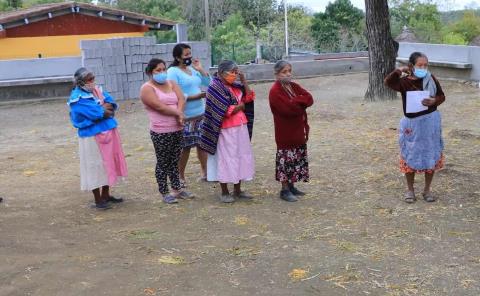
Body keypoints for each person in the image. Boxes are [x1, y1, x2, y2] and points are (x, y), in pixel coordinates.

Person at [385, 51, 445, 203]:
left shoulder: (431, 79)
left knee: (430, 154)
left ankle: (427, 190)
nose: (423, 68)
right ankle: (410, 190)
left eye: (426, 65)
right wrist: (399, 70)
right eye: (420, 65)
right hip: (412, 125)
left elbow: (442, 96)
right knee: (410, 154)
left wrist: (434, 101)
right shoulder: (404, 82)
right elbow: (388, 82)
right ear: (411, 66)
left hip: (430, 124)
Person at [68, 68, 128, 209]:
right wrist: (102, 109)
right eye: (89, 79)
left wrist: (103, 109)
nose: (92, 81)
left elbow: (111, 104)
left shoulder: (97, 90)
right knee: (94, 165)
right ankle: (98, 199)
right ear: (80, 81)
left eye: (93, 78)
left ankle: (106, 194)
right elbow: (95, 113)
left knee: (109, 162)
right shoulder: (77, 98)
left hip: (108, 131)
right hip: (91, 136)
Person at [140, 58, 195, 204]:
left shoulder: (171, 83)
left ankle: (177, 189)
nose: (162, 73)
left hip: (177, 128)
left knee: (175, 160)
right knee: (163, 161)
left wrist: (180, 112)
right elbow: (159, 106)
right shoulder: (147, 88)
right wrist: (178, 114)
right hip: (161, 131)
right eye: (158, 70)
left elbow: (181, 98)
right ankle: (164, 191)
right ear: (150, 72)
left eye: (163, 69)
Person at [199, 60, 255, 203]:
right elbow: (223, 110)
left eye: (237, 72)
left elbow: (248, 97)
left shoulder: (235, 86)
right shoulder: (214, 87)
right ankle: (224, 191)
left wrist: (244, 81)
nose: (235, 75)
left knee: (241, 156)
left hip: (240, 127)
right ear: (222, 73)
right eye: (233, 72)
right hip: (225, 129)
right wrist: (239, 107)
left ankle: (238, 190)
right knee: (226, 158)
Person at [268, 60, 314, 202]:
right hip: (285, 131)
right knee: (286, 159)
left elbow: (310, 98)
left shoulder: (293, 86)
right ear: (277, 74)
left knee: (295, 157)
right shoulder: (275, 91)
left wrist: (297, 101)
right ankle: (284, 189)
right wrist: (300, 102)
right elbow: (288, 110)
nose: (288, 74)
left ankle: (292, 185)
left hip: (298, 130)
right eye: (284, 72)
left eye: (289, 71)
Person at [167, 43, 211, 187]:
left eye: (189, 54)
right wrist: (195, 97)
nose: (189, 57)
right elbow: (173, 92)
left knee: (201, 144)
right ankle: (180, 176)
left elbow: (208, 83)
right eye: (186, 55)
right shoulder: (173, 71)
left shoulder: (192, 69)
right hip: (185, 115)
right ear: (177, 57)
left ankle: (205, 172)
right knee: (184, 147)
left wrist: (200, 69)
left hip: (200, 113)